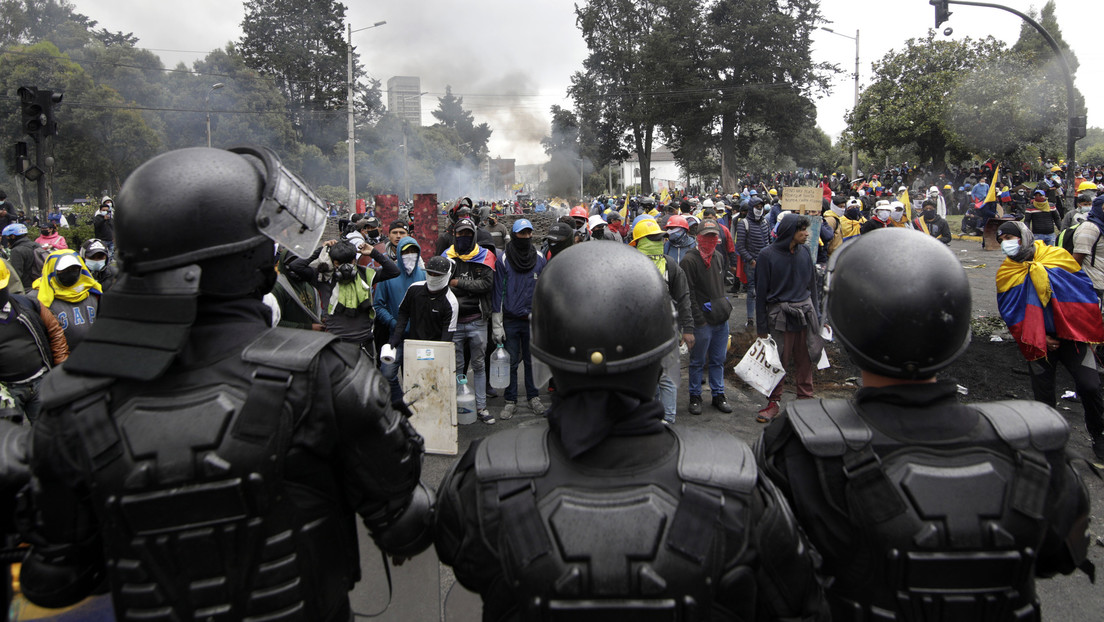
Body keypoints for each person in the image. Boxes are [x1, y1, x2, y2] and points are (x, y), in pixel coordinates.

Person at [20, 146, 433, 621]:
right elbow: (406, 527)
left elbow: (54, 581)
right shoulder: (325, 375)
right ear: (249, 259)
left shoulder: (70, 402)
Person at [435, 241, 828, 621]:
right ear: (660, 354)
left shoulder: (485, 478)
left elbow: (453, 555)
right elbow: (798, 599)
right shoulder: (738, 484)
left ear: (548, 357)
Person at [758, 228, 1094, 620]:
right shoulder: (1039, 446)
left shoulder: (797, 451)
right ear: (957, 325)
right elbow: (1061, 556)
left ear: (845, 328)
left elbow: (777, 584)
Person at [996, 220, 1104, 458]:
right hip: (1037, 342)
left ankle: (1099, 434)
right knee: (1044, 393)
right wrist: (1040, 337)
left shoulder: (1057, 257)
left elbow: (1082, 292)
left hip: (1073, 337)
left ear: (1023, 236)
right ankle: (1049, 437)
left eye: (1009, 238)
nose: (1006, 244)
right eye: (1001, 241)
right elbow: (1011, 314)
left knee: (1090, 385)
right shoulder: (1007, 272)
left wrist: (1080, 330)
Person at [755, 214, 824, 423]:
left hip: (805, 314)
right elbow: (760, 293)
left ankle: (805, 400)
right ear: (789, 232)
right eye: (801, 229)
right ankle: (773, 403)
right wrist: (761, 327)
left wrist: (818, 316)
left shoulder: (804, 252)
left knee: (805, 360)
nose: (806, 233)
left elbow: (812, 286)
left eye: (806, 229)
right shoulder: (767, 255)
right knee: (778, 362)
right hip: (779, 317)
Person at [630, 217, 695, 424]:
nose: (657, 241)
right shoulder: (628, 267)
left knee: (667, 379)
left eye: (659, 237)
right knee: (648, 380)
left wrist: (688, 329)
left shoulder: (670, 266)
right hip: (639, 336)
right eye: (652, 238)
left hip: (667, 333)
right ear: (638, 242)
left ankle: (667, 420)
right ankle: (651, 417)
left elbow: (684, 297)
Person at [491, 219, 547, 420]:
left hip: (532, 320)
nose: (526, 237)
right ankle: (510, 400)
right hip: (511, 320)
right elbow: (498, 292)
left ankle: (533, 397)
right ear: (514, 235)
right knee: (512, 362)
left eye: (528, 233)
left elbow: (544, 292)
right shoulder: (504, 259)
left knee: (532, 362)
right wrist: (497, 324)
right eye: (521, 234)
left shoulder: (540, 259)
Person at [0, 259, 67, 423]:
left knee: (48, 434)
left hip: (40, 381)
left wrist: (60, 368)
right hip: (8, 391)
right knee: (9, 440)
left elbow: (55, 332)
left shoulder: (27, 304)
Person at [444, 217, 497, 424]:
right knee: (457, 367)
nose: (464, 237)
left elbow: (487, 284)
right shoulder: (446, 256)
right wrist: (466, 284)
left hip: (478, 321)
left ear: (474, 234)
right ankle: (459, 407)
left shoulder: (485, 256)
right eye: (460, 233)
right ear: (455, 234)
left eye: (468, 233)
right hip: (454, 322)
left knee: (479, 365)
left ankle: (482, 407)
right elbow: (443, 284)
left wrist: (458, 282)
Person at [680, 219, 734, 415]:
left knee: (718, 360)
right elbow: (688, 294)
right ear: (698, 237)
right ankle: (695, 396)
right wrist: (698, 319)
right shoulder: (689, 260)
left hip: (721, 320)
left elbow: (720, 286)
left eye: (713, 236)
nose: (710, 240)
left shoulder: (718, 257)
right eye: (707, 236)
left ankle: (718, 394)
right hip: (703, 322)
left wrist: (723, 306)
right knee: (697, 361)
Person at [375, 235, 427, 407]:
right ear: (398, 253)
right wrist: (393, 323)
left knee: (416, 378)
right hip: (395, 338)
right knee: (388, 375)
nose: (410, 255)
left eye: (414, 251)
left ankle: (414, 412)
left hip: (418, 338)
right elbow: (378, 305)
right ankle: (399, 404)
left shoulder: (425, 276)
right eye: (406, 252)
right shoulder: (388, 276)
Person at [31, 250, 102, 350]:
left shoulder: (92, 292)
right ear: (52, 270)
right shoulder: (37, 298)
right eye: (64, 270)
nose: (71, 273)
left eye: (75, 268)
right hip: (59, 359)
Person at [736, 198, 770, 329]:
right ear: (751, 208)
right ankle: (750, 320)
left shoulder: (765, 222)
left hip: (766, 263)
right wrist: (751, 260)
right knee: (752, 292)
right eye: (757, 206)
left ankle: (765, 318)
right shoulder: (743, 223)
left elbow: (769, 241)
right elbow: (740, 246)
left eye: (761, 207)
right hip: (752, 265)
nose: (759, 209)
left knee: (766, 291)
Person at [3, 223, 42, 290]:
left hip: (26, 288)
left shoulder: (17, 251)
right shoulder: (36, 245)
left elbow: (16, 274)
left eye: (7, 237)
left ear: (13, 236)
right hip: (39, 284)